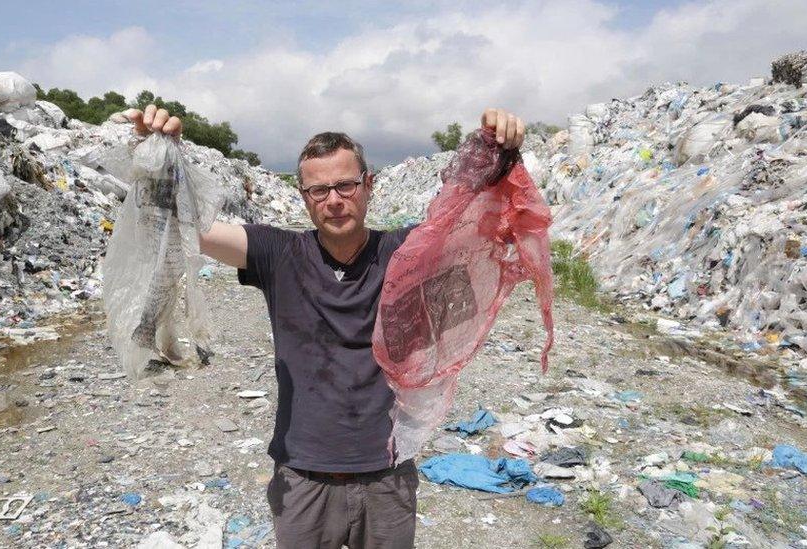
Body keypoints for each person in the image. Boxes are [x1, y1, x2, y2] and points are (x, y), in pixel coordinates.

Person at [126, 105, 526, 548]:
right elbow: (185, 228)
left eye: (345, 185)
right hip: (303, 478)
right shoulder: (278, 254)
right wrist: (159, 158)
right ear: (303, 196)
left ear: (368, 185)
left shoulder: (407, 252)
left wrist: (500, 152)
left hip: (388, 474)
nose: (333, 199)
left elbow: (484, 225)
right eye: (319, 190)